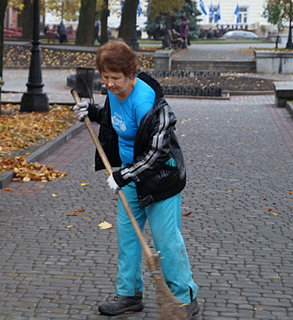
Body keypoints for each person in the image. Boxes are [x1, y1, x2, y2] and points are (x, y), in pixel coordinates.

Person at [72, 40, 199, 317]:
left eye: (115, 78)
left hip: (160, 178)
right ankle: (129, 294)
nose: (110, 84)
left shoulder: (149, 104)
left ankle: (184, 297)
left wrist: (123, 175)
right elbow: (113, 117)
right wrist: (91, 112)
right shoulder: (114, 92)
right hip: (130, 175)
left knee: (167, 241)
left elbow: (156, 152)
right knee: (128, 238)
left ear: (131, 74)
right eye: (105, 78)